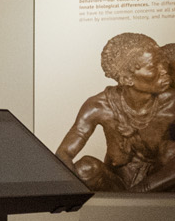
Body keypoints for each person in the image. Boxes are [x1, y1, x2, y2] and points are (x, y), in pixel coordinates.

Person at [55, 32, 175, 192]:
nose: (164, 70)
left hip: (160, 186)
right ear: (127, 79)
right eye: (153, 66)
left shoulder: (171, 103)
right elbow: (64, 153)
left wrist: (140, 191)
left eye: (162, 62)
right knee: (85, 168)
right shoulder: (99, 106)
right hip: (116, 186)